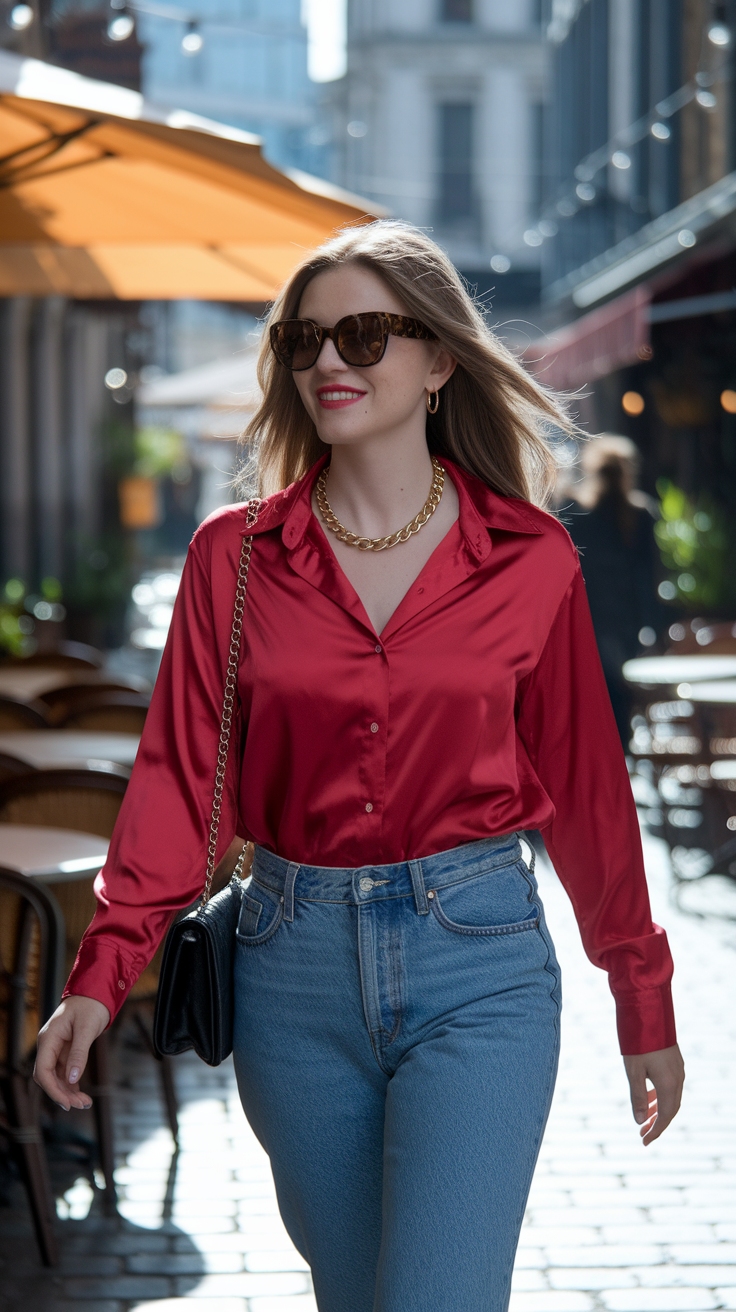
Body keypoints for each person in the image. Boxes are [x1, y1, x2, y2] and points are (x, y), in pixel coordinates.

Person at [35, 222, 684, 1312]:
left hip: (478, 966)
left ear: (438, 361)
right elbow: (180, 783)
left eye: (365, 334)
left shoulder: (529, 559)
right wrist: (102, 974)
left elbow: (587, 795)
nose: (329, 359)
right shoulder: (233, 558)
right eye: (305, 340)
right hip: (289, 973)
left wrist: (642, 995)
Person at [565, 435, 662, 747]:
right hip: (626, 625)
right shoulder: (641, 515)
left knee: (597, 700)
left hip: (589, 620)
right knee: (621, 698)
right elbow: (650, 578)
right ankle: (622, 754)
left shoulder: (577, 514)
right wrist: (653, 629)